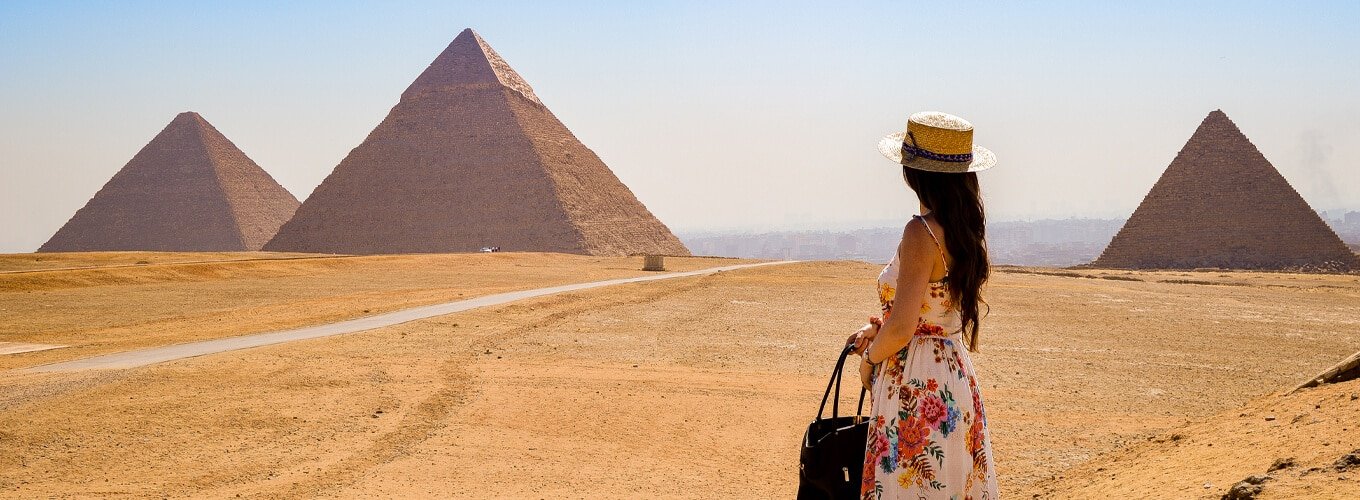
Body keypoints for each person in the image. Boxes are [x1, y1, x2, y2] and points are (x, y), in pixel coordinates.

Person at [847, 111, 1000, 499]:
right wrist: (878, 328)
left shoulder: (920, 232)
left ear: (915, 173)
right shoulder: (963, 231)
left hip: (916, 384)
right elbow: (929, 314)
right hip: (954, 377)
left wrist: (869, 362)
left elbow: (904, 328)